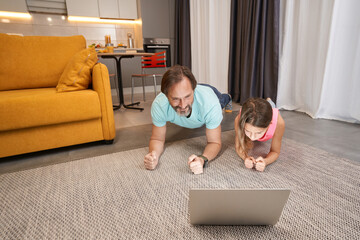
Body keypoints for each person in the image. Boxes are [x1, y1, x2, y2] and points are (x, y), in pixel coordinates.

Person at [144, 65, 232, 174]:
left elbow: (214, 142)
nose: (183, 105)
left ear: (193, 91)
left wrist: (202, 159)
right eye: (176, 99)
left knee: (223, 101)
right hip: (196, 91)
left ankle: (228, 97)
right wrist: (154, 155)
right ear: (166, 95)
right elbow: (157, 139)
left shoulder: (210, 104)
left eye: (187, 96)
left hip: (211, 93)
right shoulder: (159, 105)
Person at [234, 97, 285, 172]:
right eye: (247, 131)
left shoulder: (279, 123)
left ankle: (269, 101)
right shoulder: (239, 120)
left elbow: (275, 151)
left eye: (258, 132)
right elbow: (238, 146)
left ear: (269, 125)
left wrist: (266, 161)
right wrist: (245, 158)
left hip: (272, 113)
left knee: (272, 106)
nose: (252, 137)